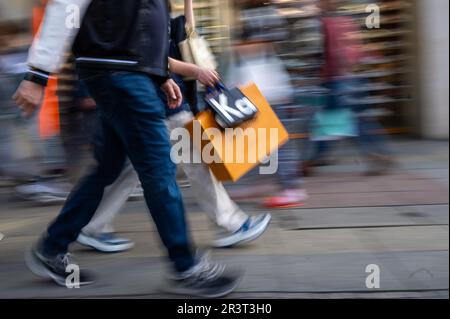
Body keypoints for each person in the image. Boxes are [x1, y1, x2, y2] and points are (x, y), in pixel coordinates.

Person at [14, 0, 242, 298]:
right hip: (117, 72)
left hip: (130, 72)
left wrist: (159, 74)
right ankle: (185, 267)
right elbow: (66, 5)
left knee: (108, 167)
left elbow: (146, 20)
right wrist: (38, 75)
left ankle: (52, 246)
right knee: (159, 167)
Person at [77, 0, 271, 253]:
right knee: (198, 161)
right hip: (160, 101)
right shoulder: (138, 11)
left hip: (160, 100)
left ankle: (92, 226)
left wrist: (188, 4)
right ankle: (232, 224)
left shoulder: (161, 11)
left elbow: (189, 34)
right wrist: (195, 70)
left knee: (130, 169)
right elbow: (147, 56)